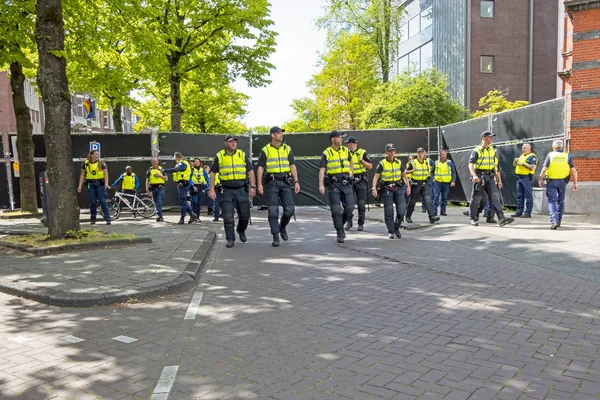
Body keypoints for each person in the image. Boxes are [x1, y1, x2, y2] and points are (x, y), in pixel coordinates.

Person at [208, 134, 256, 248]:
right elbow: (213, 172)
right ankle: (230, 239)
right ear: (225, 143)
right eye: (230, 142)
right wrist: (211, 189)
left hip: (241, 189)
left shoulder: (241, 154)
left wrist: (253, 187)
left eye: (235, 141)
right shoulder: (219, 155)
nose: (233, 143)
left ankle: (240, 230)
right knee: (228, 216)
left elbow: (250, 171)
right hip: (226, 190)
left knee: (245, 215)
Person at [257, 126, 300, 247]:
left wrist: (296, 181)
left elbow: (292, 165)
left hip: (286, 182)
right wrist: (259, 184)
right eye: (279, 133)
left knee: (290, 210)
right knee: (272, 211)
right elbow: (260, 167)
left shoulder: (287, 148)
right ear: (272, 135)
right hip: (272, 183)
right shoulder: (265, 150)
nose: (281, 135)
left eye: (282, 133)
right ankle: (275, 236)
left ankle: (282, 227)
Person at [468, 131, 514, 227]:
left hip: (489, 176)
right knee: (476, 198)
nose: (491, 139)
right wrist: (474, 176)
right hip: (479, 175)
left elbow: (494, 166)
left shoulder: (491, 150)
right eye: (489, 137)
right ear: (484, 138)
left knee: (495, 198)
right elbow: (470, 165)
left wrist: (497, 178)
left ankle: (501, 218)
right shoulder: (476, 150)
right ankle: (473, 218)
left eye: (491, 137)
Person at [318, 130, 355, 243]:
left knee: (350, 207)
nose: (341, 139)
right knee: (336, 210)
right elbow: (322, 169)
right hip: (333, 183)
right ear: (333, 139)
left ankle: (341, 223)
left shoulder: (345, 150)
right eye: (339, 137)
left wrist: (351, 172)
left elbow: (351, 161)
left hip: (345, 181)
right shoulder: (327, 152)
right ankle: (339, 231)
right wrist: (321, 185)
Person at [371, 143, 410, 239]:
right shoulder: (382, 163)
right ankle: (391, 231)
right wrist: (374, 188)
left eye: (393, 151)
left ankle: (396, 227)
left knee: (402, 209)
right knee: (389, 211)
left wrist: (408, 186)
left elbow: (404, 175)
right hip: (387, 188)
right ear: (386, 153)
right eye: (389, 151)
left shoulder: (399, 162)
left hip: (399, 188)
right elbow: (376, 177)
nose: (392, 153)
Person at [538, 139, 578, 230]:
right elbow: (574, 171)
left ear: (553, 147)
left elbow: (544, 170)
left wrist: (540, 179)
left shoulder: (550, 155)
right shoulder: (567, 156)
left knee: (552, 201)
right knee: (561, 200)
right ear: (562, 147)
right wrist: (575, 183)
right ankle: (559, 221)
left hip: (551, 181)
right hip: (562, 181)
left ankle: (554, 221)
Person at [404, 148, 439, 224]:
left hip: (424, 184)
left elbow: (428, 172)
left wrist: (430, 178)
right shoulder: (413, 163)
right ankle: (408, 216)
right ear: (417, 154)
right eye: (419, 153)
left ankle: (432, 217)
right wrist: (412, 170)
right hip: (416, 184)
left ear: (424, 154)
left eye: (422, 152)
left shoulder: (426, 162)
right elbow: (405, 172)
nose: (420, 154)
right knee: (412, 202)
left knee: (428, 200)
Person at [345, 136, 372, 232]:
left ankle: (361, 223)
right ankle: (349, 221)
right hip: (350, 180)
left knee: (361, 203)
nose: (346, 145)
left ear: (352, 144)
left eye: (347, 143)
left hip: (361, 180)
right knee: (348, 203)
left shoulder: (362, 152)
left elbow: (370, 166)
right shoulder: (345, 153)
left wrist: (362, 160)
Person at [163, 152, 198, 224]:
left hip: (184, 184)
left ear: (176, 157)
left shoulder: (183, 164)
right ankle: (191, 214)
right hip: (181, 184)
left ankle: (186, 216)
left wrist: (164, 170)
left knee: (183, 201)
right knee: (183, 201)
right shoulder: (180, 163)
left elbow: (176, 169)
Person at [77, 150, 111, 225]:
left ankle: (108, 219)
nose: (97, 156)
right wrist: (80, 185)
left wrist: (106, 183)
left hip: (100, 184)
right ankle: (93, 219)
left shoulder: (101, 163)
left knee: (103, 201)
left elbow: (106, 174)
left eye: (97, 154)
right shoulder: (85, 164)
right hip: (91, 184)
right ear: (91, 155)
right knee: (92, 203)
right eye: (95, 154)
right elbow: (82, 175)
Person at [512, 143, 538, 218]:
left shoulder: (532, 156)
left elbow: (532, 167)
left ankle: (528, 212)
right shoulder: (522, 156)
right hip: (519, 178)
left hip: (526, 178)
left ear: (529, 149)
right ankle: (519, 211)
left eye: (525, 148)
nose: (523, 149)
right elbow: (515, 165)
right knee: (520, 196)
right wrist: (515, 161)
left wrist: (523, 164)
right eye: (522, 148)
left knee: (528, 195)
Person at [432, 150, 456, 216]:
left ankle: (443, 211)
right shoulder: (436, 162)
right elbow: (431, 171)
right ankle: (434, 212)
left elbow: (453, 172)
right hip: (437, 182)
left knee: (444, 197)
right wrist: (432, 178)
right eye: (443, 154)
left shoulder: (449, 162)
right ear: (440, 155)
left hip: (446, 183)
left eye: (445, 154)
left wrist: (453, 181)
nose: (444, 156)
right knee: (436, 197)